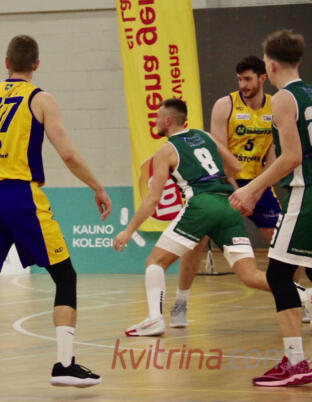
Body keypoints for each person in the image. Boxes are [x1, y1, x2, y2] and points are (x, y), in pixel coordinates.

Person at [0, 35, 111, 395]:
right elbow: (68, 154)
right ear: (36, 64)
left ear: (5, 63)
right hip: (22, 197)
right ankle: (64, 364)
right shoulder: (40, 99)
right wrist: (97, 186)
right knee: (65, 276)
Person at [113, 98, 273, 337]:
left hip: (201, 204)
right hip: (227, 204)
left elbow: (153, 199)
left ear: (168, 120)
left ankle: (154, 319)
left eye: (157, 118)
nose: (155, 122)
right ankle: (305, 295)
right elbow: (235, 166)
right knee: (250, 275)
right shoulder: (205, 136)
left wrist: (128, 231)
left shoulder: (166, 151)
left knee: (155, 262)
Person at [169, 56, 281, 328]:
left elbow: (273, 154)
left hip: (258, 183)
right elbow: (218, 154)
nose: (243, 84)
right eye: (239, 79)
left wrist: (257, 190)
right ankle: (180, 302)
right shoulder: (225, 105)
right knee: (196, 242)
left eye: (248, 79)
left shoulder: (276, 106)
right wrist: (237, 192)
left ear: (262, 78)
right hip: (222, 182)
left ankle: (292, 299)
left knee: (283, 241)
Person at [229, 29, 312, 387]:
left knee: (278, 276)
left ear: (271, 66)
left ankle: (296, 363)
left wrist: (251, 187)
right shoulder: (310, 93)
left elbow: (292, 157)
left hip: (304, 195)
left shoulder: (283, 99)